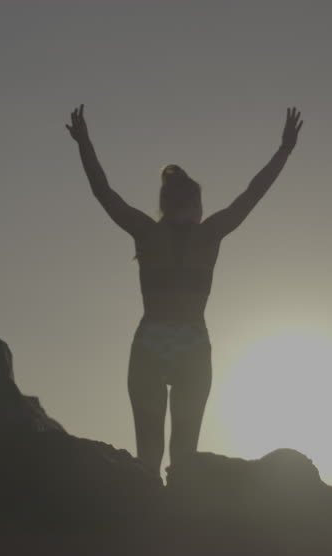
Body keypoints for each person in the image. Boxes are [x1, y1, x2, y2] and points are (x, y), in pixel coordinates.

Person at [66, 104, 303, 480]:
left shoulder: (199, 233)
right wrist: (84, 145)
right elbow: (103, 192)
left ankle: (170, 521)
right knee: (152, 455)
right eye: (190, 203)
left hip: (181, 343)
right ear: (184, 204)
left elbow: (252, 195)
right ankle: (153, 521)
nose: (193, 209)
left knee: (182, 457)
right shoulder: (156, 232)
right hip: (164, 342)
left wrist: (284, 151)